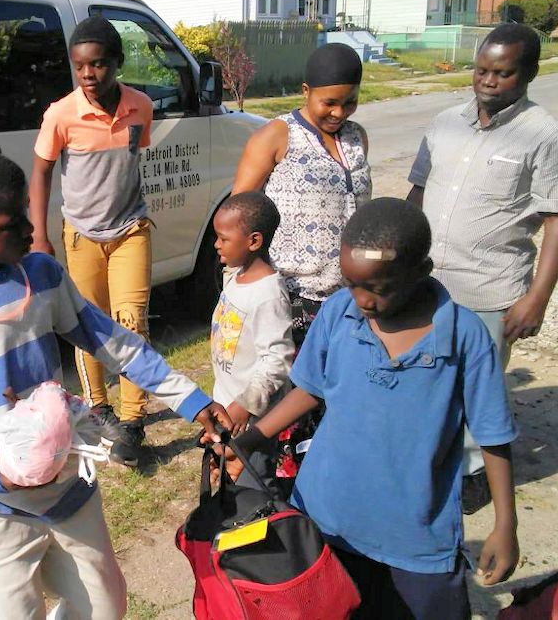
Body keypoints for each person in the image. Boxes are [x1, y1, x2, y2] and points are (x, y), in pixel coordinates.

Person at [0, 147, 233, 620]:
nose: (32, 230)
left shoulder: (44, 276)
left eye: (28, 213)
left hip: (68, 488)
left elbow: (114, 343)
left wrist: (190, 400)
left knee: (104, 603)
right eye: (12, 225)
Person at [218, 198, 520, 619]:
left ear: (421, 272)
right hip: (326, 520)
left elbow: (492, 434)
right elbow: (308, 389)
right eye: (351, 283)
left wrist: (506, 524)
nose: (362, 300)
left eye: (377, 289)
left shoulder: (464, 338)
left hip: (415, 536)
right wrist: (250, 439)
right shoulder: (339, 314)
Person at [407, 23, 558, 506]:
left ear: (528, 74)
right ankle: (430, 464)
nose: (488, 81)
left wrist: (537, 298)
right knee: (425, 379)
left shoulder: (547, 137)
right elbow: (417, 192)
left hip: (492, 291)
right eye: (482, 70)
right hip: (427, 285)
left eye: (502, 73)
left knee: (478, 387)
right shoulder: (444, 123)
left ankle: (473, 474)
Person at [29, 15, 155, 467]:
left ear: (117, 63)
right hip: (81, 236)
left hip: (130, 231)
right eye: (80, 67)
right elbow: (42, 170)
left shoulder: (141, 106)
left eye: (99, 65)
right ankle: (99, 408)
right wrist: (40, 235)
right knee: (90, 325)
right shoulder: (62, 114)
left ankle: (134, 420)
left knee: (132, 321)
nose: (88, 75)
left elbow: (132, 158)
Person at [231, 42, 372, 346]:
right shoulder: (277, 135)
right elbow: (238, 211)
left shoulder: (356, 137)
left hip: (350, 295)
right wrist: (242, 281)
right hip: (293, 295)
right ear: (306, 91)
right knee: (294, 389)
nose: (339, 112)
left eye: (350, 102)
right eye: (329, 102)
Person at [209, 191, 295, 497]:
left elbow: (278, 359)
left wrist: (246, 404)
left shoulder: (269, 294)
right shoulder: (236, 276)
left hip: (254, 422)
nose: (217, 244)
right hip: (228, 412)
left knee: (255, 493)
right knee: (225, 488)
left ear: (254, 241)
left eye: (223, 238)